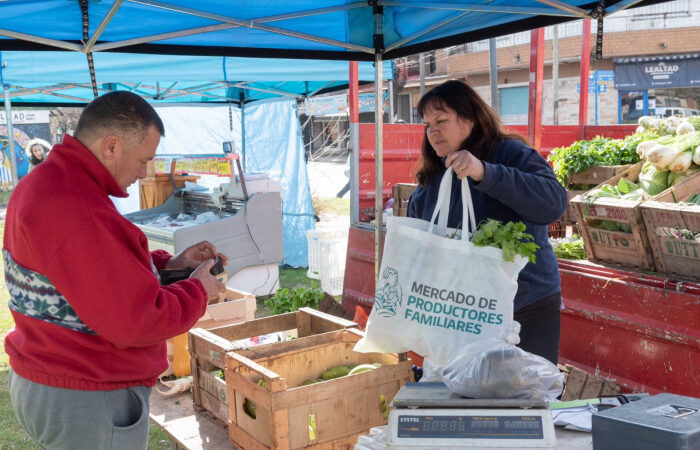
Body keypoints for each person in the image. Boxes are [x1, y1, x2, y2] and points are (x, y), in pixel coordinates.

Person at [4, 91, 227, 449]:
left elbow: (86, 273)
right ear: (111, 146)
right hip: (85, 393)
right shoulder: (77, 207)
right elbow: (137, 319)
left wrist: (170, 266)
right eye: (143, 160)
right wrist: (199, 290)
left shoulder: (46, 183)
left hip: (50, 376)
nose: (143, 174)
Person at [407, 80, 567, 364]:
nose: (432, 131)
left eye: (441, 120)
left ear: (469, 118)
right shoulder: (433, 177)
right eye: (427, 124)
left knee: (526, 397)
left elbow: (553, 203)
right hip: (463, 313)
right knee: (471, 398)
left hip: (526, 306)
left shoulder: (510, 153)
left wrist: (484, 172)